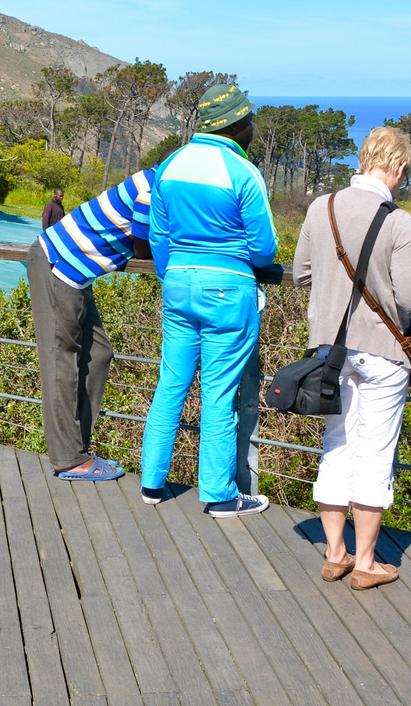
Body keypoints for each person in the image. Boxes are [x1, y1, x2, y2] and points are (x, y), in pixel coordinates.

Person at [293, 126, 411, 591]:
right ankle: (366, 562)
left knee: (337, 445)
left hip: (330, 350)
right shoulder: (397, 220)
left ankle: (334, 554)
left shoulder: (321, 206)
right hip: (383, 353)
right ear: (400, 168)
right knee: (375, 453)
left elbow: (301, 273)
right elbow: (409, 295)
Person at [141, 82, 277, 517]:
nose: (253, 125)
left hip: (178, 284)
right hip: (228, 291)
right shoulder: (243, 172)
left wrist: (174, 272)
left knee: (171, 384)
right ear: (236, 124)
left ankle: (151, 483)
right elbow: (264, 249)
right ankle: (220, 495)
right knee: (218, 394)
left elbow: (158, 237)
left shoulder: (170, 165)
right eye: (249, 119)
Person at [28, 169, 153, 481]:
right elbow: (143, 248)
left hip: (76, 271)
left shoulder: (156, 182)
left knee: (99, 353)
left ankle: (77, 448)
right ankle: (69, 459)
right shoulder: (152, 187)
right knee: (61, 360)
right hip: (57, 266)